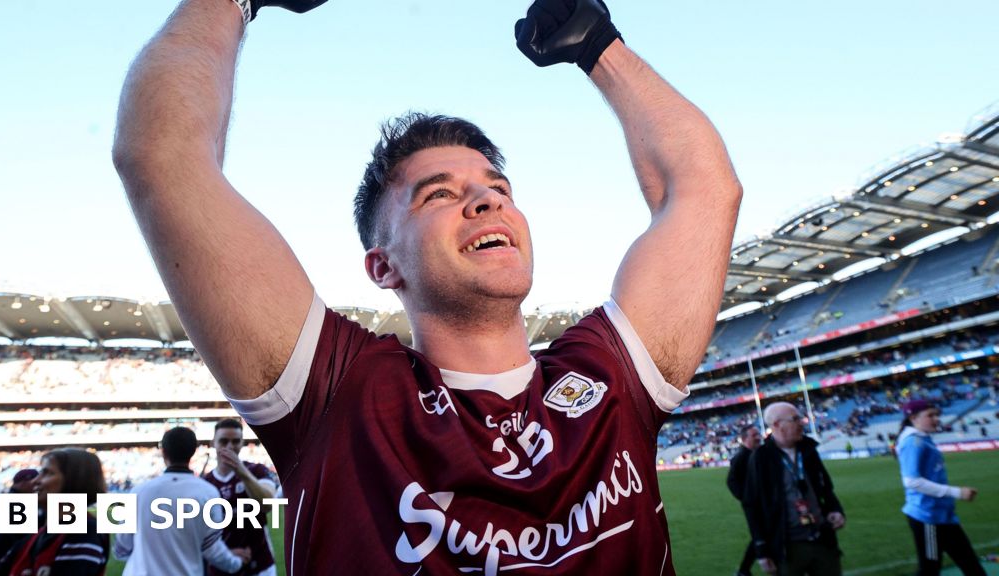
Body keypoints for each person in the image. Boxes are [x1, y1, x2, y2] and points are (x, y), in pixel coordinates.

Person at [112, 0, 741, 572]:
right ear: (383, 267)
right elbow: (161, 154)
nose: (484, 201)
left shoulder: (611, 380)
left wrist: (599, 45)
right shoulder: (335, 394)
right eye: (439, 193)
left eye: (498, 188)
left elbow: (706, 189)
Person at [113, 427, 250, 575]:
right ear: (193, 452)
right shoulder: (208, 493)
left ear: (163, 451)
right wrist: (235, 563)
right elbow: (211, 548)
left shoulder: (138, 492)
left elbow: (121, 548)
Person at [743, 403, 845, 576]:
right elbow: (752, 505)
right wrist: (761, 548)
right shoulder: (761, 457)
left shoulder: (809, 450)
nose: (802, 423)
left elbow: (826, 488)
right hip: (787, 546)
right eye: (795, 419)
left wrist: (835, 509)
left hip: (822, 538)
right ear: (776, 425)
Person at [896, 399, 985, 576]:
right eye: (930, 415)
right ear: (913, 418)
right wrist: (957, 492)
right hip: (928, 517)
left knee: (970, 564)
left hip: (942, 515)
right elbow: (912, 481)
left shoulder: (921, 439)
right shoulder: (914, 442)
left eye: (937, 414)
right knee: (930, 570)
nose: (936, 419)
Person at [7, 449, 109, 576]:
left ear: (74, 479)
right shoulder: (45, 530)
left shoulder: (83, 531)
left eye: (47, 473)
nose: (35, 481)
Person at [202, 419, 277, 576]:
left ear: (242, 443)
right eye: (223, 441)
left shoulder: (257, 471)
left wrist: (240, 471)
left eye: (236, 441)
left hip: (259, 565)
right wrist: (226, 553)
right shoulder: (205, 484)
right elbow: (199, 532)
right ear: (213, 443)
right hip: (221, 566)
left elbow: (268, 505)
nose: (230, 446)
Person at [0, 469, 38, 576]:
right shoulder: (17, 502)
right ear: (23, 483)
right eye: (35, 480)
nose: (39, 482)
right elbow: (14, 549)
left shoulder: (5, 499)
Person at [727, 425, 761, 576]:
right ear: (745, 439)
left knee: (764, 534)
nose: (758, 437)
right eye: (754, 435)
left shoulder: (758, 453)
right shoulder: (741, 457)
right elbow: (732, 481)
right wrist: (746, 497)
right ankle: (743, 570)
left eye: (758, 434)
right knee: (759, 536)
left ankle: (744, 570)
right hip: (753, 505)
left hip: (763, 502)